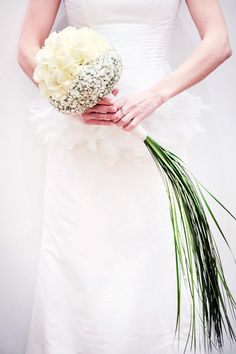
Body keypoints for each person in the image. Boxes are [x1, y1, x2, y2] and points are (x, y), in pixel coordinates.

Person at [18, 1, 232, 353]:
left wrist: (155, 95)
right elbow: (28, 45)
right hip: (81, 133)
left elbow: (218, 41)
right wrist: (72, 99)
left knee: (155, 251)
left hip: (155, 123)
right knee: (78, 249)